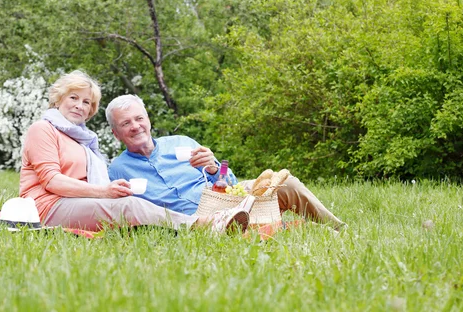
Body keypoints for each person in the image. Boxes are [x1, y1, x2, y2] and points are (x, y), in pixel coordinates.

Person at [19, 70, 252, 234]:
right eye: (73, 98)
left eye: (87, 102)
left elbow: (228, 181)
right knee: (130, 206)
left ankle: (218, 220)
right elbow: (51, 181)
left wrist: (212, 168)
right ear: (58, 99)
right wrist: (103, 192)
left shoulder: (81, 140)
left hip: (75, 203)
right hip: (47, 207)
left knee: (265, 185)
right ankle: (203, 226)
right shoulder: (43, 129)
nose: (80, 106)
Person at [106, 94, 347, 232]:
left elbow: (228, 180)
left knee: (286, 184)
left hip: (225, 196)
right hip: (196, 220)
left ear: (148, 120)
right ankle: (288, 228)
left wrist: (213, 167)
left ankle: (337, 227)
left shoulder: (181, 141)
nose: (136, 126)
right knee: (255, 226)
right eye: (126, 123)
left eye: (139, 118)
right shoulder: (117, 169)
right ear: (116, 133)